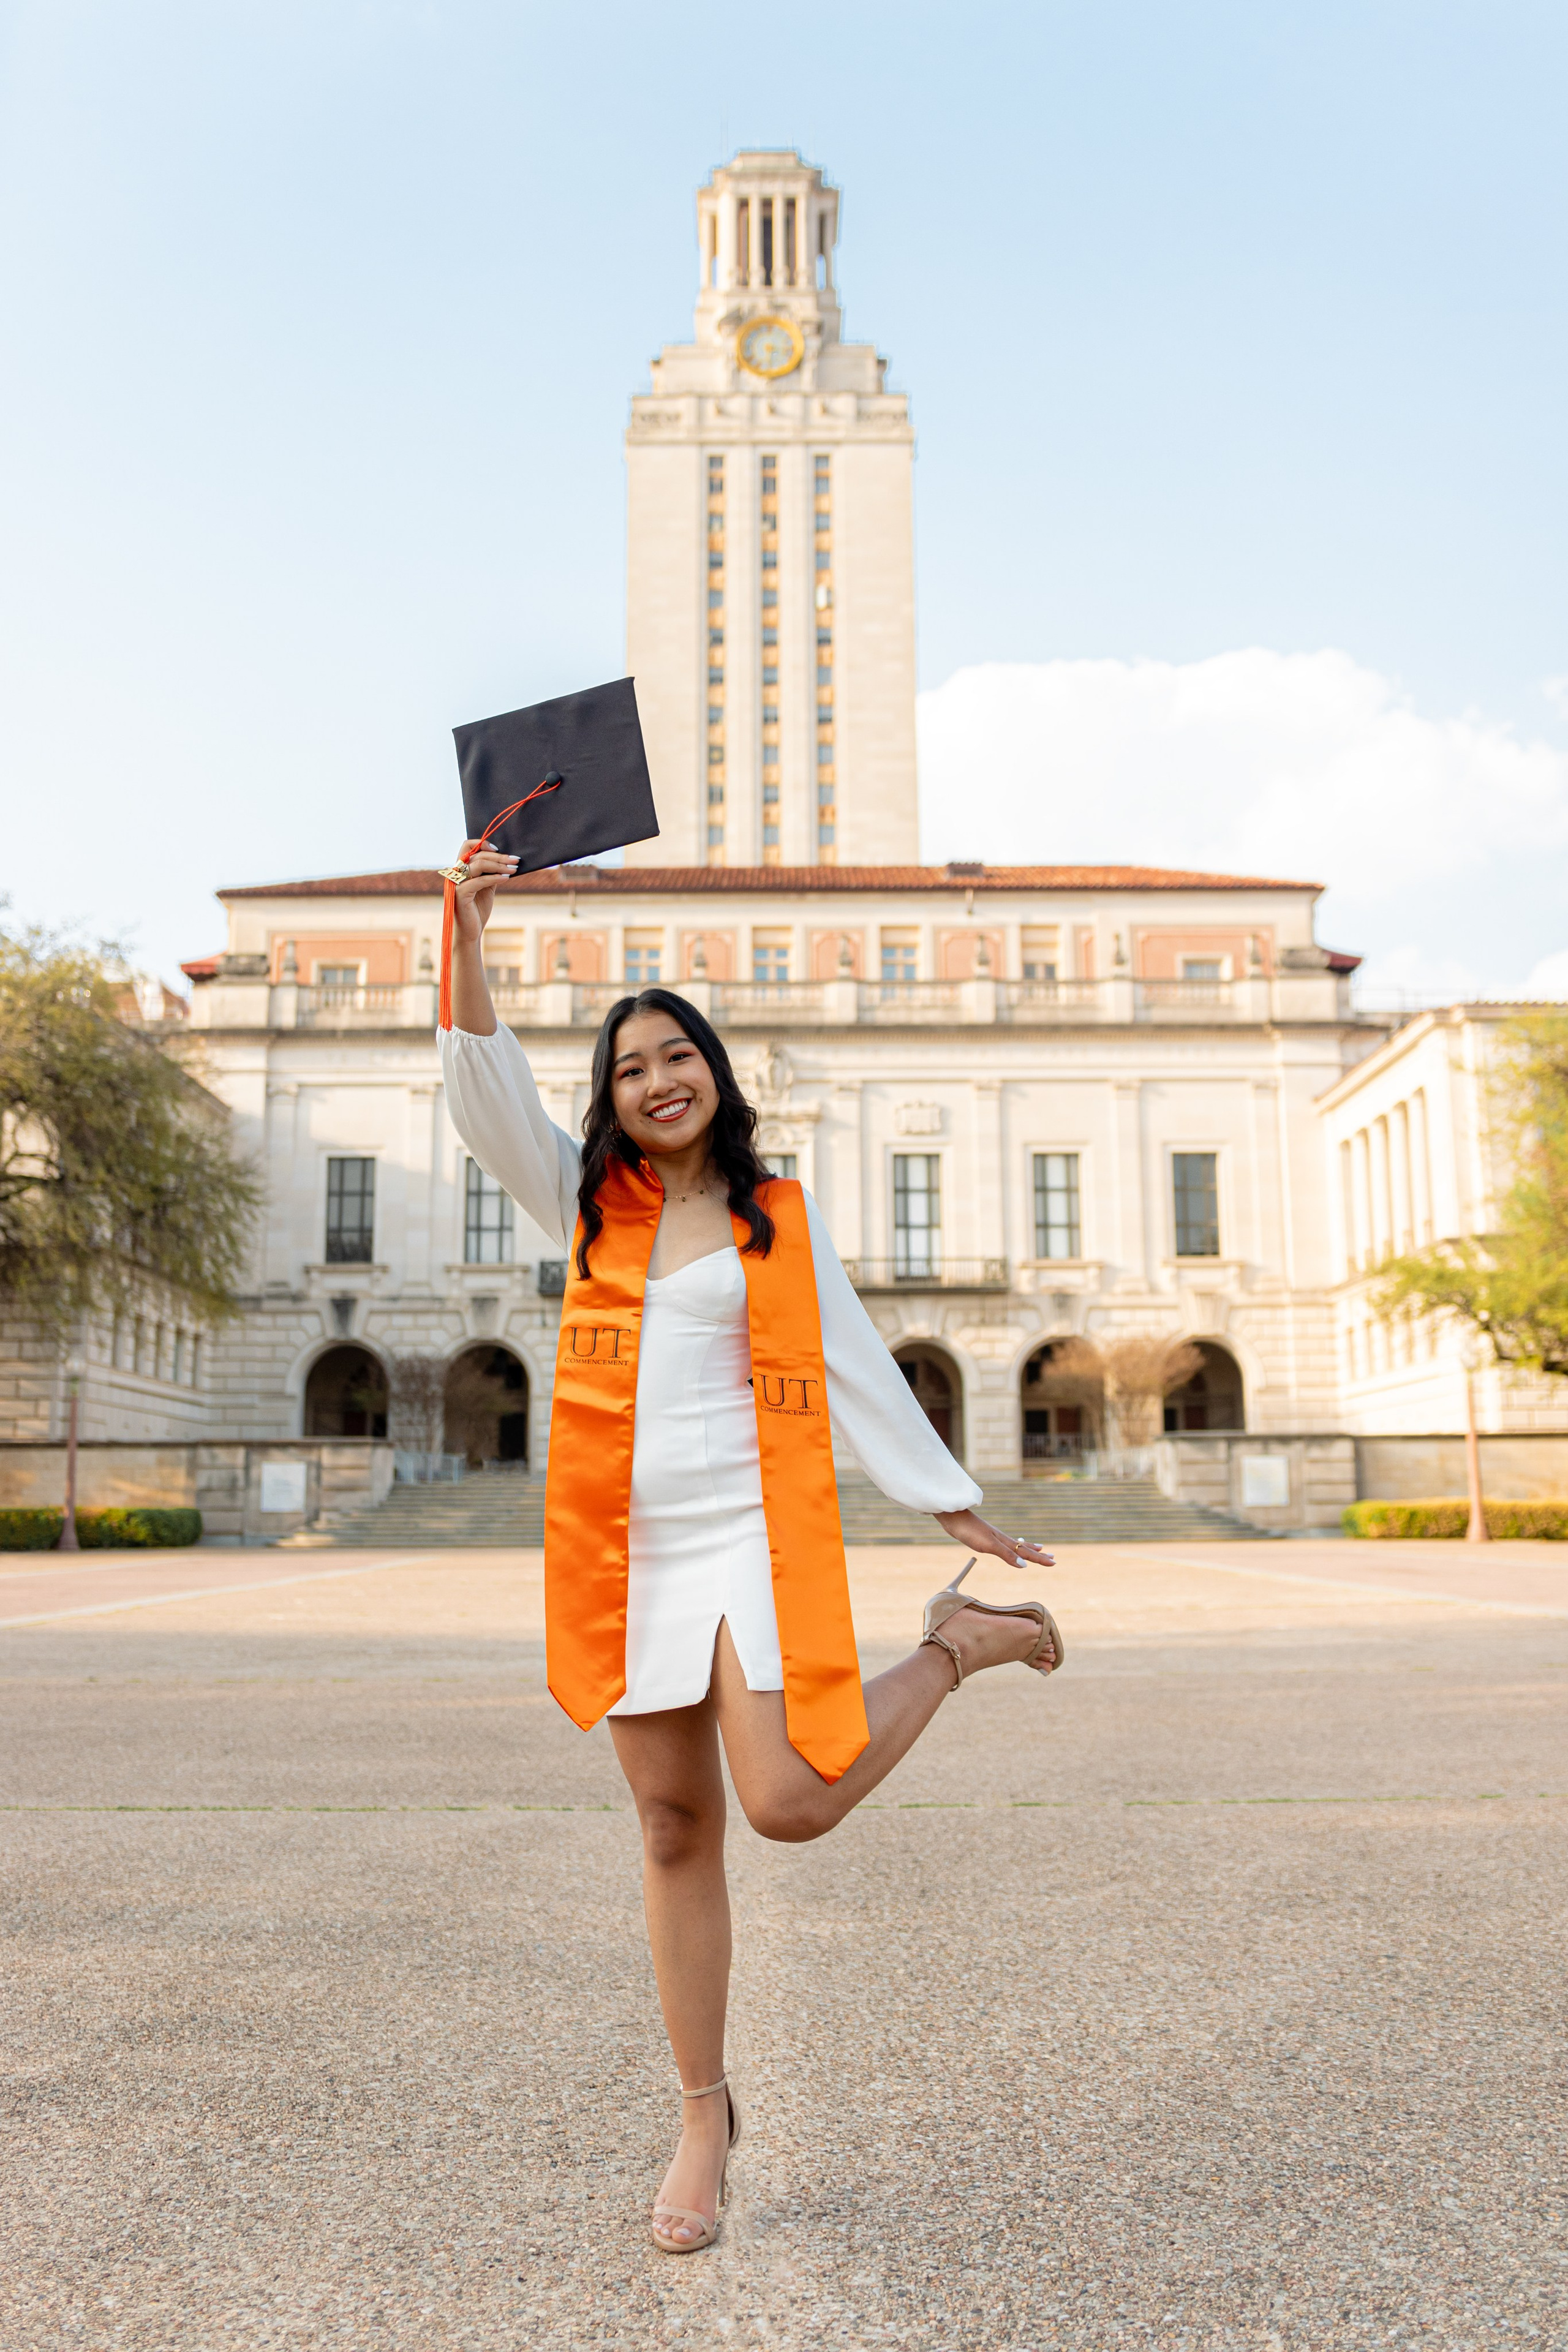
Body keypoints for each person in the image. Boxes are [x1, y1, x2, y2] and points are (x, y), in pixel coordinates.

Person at [438, 842, 1063, 2254]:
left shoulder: (776, 1218)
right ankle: (703, 2114)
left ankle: (952, 1645)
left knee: (782, 1802)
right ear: (608, 1100)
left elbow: (848, 1357)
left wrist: (946, 1497)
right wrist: (464, 928)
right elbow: (482, 1090)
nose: (655, 1081)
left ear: (714, 1071)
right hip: (622, 1542)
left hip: (746, 1535)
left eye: (676, 1057)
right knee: (670, 1828)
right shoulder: (585, 1204)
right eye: (628, 1068)